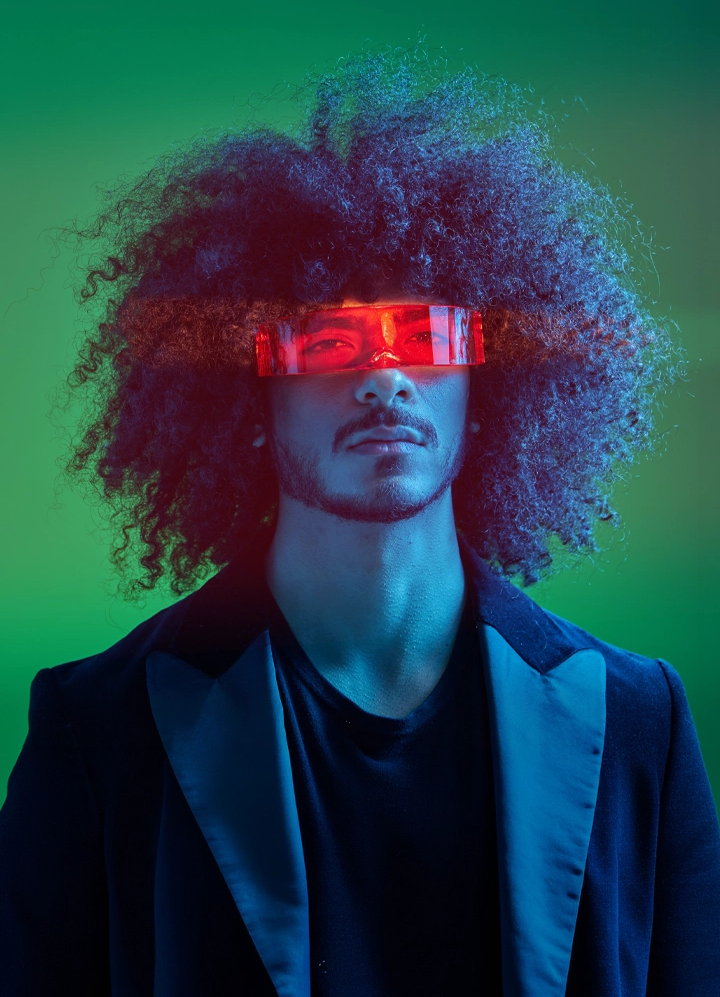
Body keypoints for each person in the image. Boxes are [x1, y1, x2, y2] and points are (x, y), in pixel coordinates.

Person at [1, 50, 719, 997]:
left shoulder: (641, 723)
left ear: (485, 386)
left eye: (425, 337)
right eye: (329, 341)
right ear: (248, 401)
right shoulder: (96, 732)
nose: (384, 376)